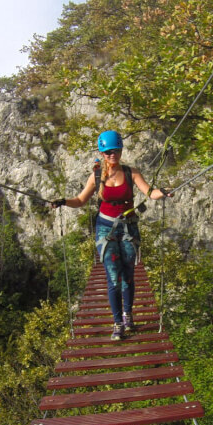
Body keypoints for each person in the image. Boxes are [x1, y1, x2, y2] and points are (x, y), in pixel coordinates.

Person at [51, 130, 171, 340]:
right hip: (106, 228)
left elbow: (150, 193)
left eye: (116, 151)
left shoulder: (131, 172)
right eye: (108, 152)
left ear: (121, 150)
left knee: (128, 275)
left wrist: (163, 191)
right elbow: (80, 201)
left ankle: (128, 315)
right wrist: (63, 201)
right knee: (113, 276)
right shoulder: (97, 177)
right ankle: (117, 323)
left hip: (128, 228)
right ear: (102, 153)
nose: (112, 155)